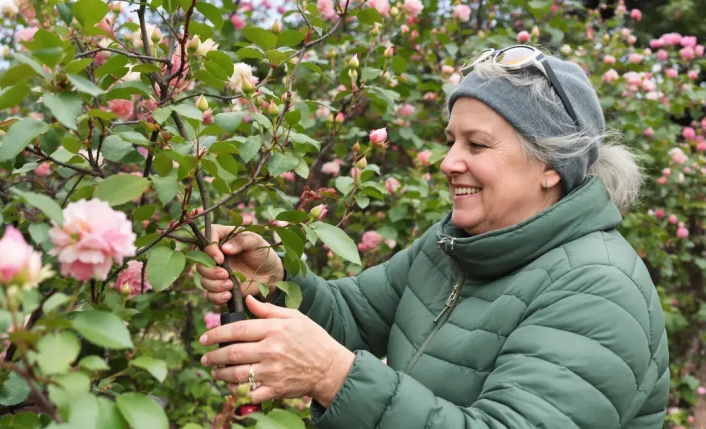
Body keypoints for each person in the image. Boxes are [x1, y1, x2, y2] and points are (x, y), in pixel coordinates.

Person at [196, 46, 670, 428]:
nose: (448, 162)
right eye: (451, 141)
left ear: (550, 166)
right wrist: (276, 280)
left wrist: (332, 376)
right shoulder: (454, 246)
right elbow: (354, 315)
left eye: (477, 144)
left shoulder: (598, 289)